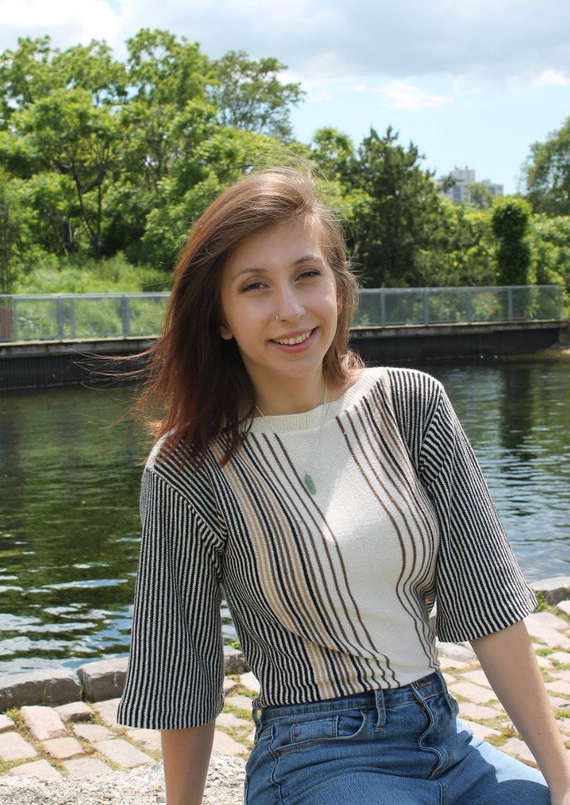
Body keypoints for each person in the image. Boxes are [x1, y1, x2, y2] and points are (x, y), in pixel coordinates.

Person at [117, 168, 570, 805]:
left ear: (338, 286)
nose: (290, 309)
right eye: (254, 286)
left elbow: (490, 604)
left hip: (446, 740)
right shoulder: (189, 468)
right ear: (220, 317)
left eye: (308, 275)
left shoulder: (413, 405)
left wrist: (560, 779)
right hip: (315, 759)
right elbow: (180, 668)